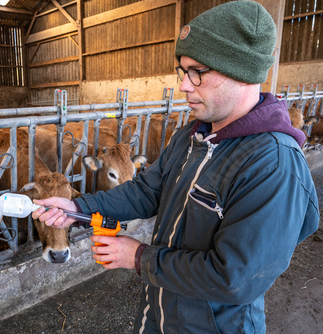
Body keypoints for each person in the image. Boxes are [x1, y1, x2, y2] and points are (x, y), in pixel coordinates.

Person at [32, 1, 320, 333]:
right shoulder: (192, 135)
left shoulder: (273, 165)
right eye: (183, 72)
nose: (184, 85)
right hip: (160, 312)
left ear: (241, 72)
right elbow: (147, 189)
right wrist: (78, 206)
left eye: (197, 72)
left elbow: (235, 279)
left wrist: (139, 257)